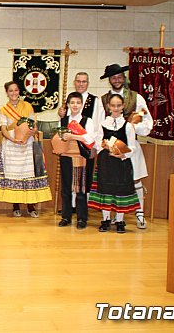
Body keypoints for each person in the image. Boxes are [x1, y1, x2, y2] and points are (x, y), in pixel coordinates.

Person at [0, 81, 51, 217]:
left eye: (16, 90)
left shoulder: (27, 106)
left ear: (19, 91)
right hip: (11, 146)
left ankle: (31, 207)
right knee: (14, 174)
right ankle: (15, 206)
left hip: (27, 144)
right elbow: (3, 129)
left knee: (28, 174)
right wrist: (13, 140)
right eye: (10, 91)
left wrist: (26, 136)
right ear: (7, 93)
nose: (13, 93)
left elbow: (34, 126)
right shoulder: (3, 110)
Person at [100, 64, 152, 229]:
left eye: (119, 76)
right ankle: (113, 215)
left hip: (129, 146)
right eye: (113, 77)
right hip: (108, 148)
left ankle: (140, 215)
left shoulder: (136, 98)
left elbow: (147, 122)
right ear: (109, 80)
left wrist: (129, 126)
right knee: (111, 181)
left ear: (124, 77)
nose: (116, 80)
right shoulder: (102, 99)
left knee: (134, 179)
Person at [88, 94, 140, 234]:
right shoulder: (103, 124)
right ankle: (105, 220)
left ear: (123, 106)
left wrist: (124, 154)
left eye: (118, 105)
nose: (116, 108)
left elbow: (132, 146)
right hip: (106, 162)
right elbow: (98, 143)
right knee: (106, 190)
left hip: (121, 163)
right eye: (113, 106)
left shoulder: (128, 126)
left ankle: (119, 220)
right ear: (109, 107)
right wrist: (103, 146)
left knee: (120, 191)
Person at [58, 72, 105, 212]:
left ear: (88, 83)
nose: (81, 84)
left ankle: (82, 208)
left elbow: (98, 124)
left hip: (86, 147)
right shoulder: (69, 100)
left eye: (84, 81)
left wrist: (95, 146)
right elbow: (65, 125)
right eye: (78, 81)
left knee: (84, 179)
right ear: (74, 82)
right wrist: (61, 114)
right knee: (69, 178)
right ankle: (70, 207)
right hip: (69, 149)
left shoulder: (95, 101)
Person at [57, 92, 96, 229]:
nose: (75, 105)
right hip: (66, 157)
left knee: (81, 189)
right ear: (68, 104)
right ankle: (66, 216)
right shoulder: (63, 121)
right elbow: (58, 138)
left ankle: (81, 218)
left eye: (78, 103)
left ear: (82, 104)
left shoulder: (87, 121)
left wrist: (74, 136)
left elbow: (91, 139)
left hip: (81, 158)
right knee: (66, 188)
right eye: (72, 103)